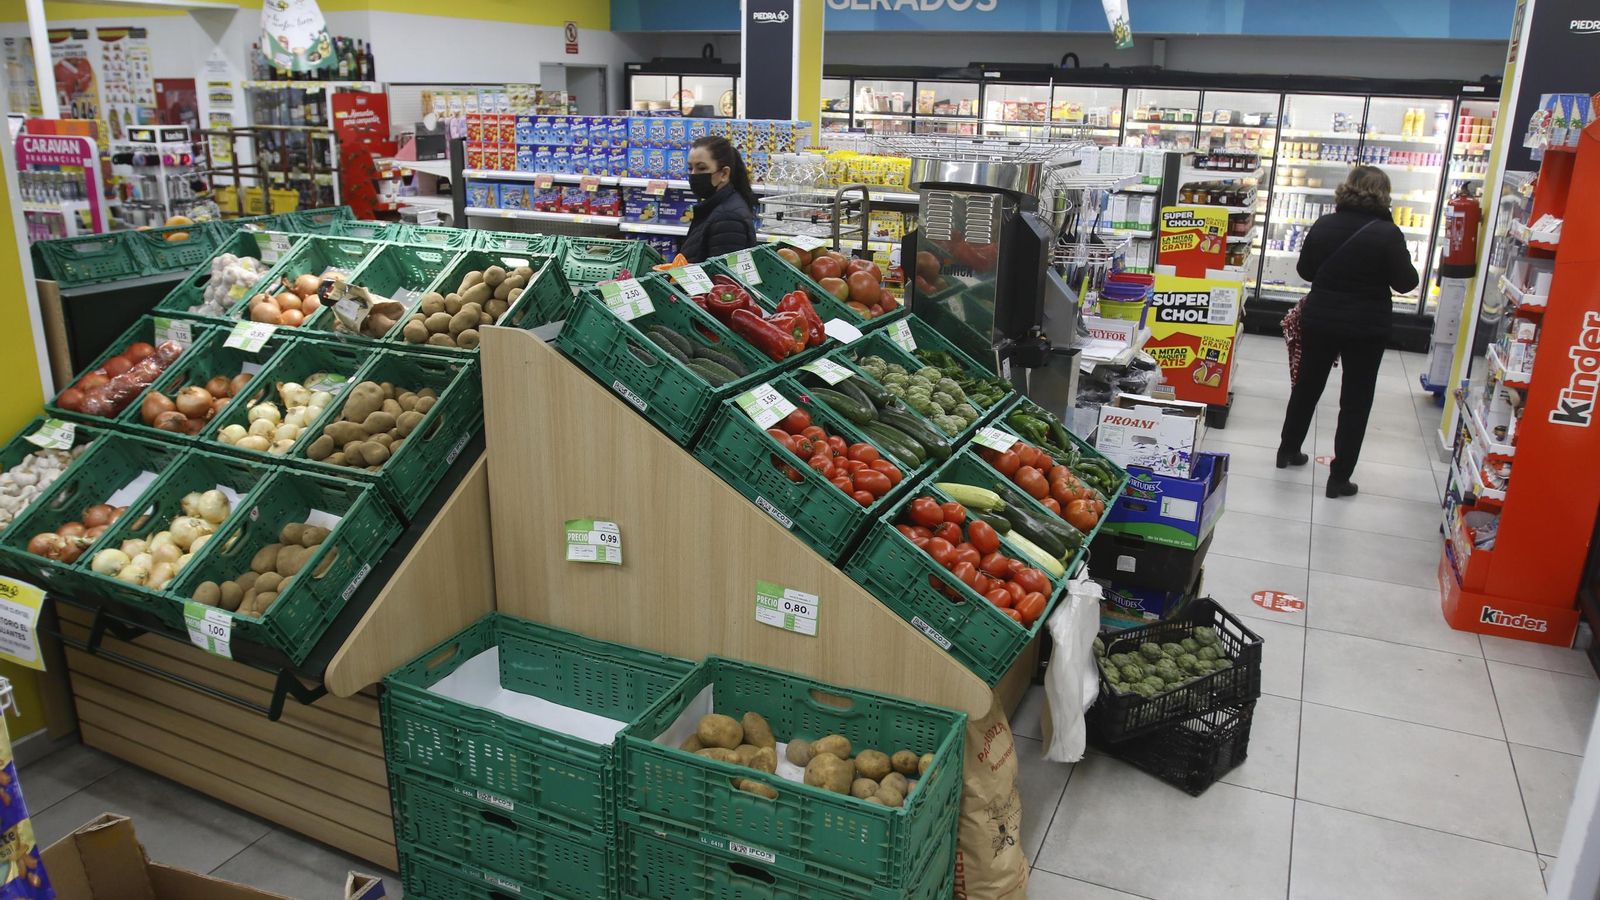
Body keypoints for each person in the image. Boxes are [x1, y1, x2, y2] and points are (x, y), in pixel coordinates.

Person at [1277, 165, 1419, 499]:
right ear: (1384, 195)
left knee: (1307, 386)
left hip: (1321, 319)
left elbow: (1305, 270)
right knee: (1355, 401)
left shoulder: (1325, 224)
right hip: (1366, 328)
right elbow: (1406, 283)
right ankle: (1339, 478)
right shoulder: (1388, 233)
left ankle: (1288, 449)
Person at [677, 135, 759, 263]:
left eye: (701, 168)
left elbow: (723, 277)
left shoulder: (728, 218)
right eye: (690, 168)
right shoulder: (714, 207)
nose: (693, 175)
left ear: (724, 174)